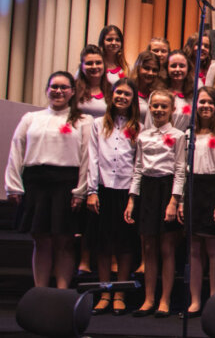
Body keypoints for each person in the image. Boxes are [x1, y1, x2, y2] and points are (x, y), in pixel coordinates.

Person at [5, 72, 92, 288]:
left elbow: (87, 157)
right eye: (54, 87)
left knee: (64, 241)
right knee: (41, 240)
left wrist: (81, 191)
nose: (59, 91)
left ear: (72, 92)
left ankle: (61, 294)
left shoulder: (83, 120)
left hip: (66, 183)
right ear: (47, 90)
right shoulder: (31, 118)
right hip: (36, 182)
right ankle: (40, 291)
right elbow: (16, 150)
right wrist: (13, 186)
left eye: (64, 87)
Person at [124, 90, 186, 317]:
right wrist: (132, 199)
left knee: (166, 248)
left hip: (167, 188)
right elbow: (138, 169)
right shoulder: (143, 135)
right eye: (155, 106)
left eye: (164, 106)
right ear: (149, 108)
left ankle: (164, 299)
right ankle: (148, 298)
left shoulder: (179, 135)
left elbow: (180, 170)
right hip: (147, 190)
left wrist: (174, 200)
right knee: (148, 247)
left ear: (172, 110)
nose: (159, 110)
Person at [86, 78, 140, 315]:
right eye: (119, 93)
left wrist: (133, 196)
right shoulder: (98, 124)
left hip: (126, 191)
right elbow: (92, 158)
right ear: (112, 95)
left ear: (133, 99)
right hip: (104, 189)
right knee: (103, 245)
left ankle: (120, 293)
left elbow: (139, 163)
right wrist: (91, 191)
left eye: (127, 94)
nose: (122, 97)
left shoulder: (138, 126)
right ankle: (104, 292)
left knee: (125, 245)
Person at [180, 87, 215, 316]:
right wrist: (180, 200)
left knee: (214, 247)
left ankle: (214, 298)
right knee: (193, 248)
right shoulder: (188, 134)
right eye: (202, 102)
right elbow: (182, 169)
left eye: (210, 103)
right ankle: (195, 300)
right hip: (193, 187)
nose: (206, 106)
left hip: (214, 188)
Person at [159, 50, 194, 131]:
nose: (178, 69)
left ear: (188, 68)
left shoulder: (193, 96)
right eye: (173, 66)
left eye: (182, 66)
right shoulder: (158, 94)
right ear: (166, 68)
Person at [77, 44, 112, 119]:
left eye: (98, 63)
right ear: (81, 66)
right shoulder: (73, 89)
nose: (94, 66)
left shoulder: (112, 90)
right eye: (89, 63)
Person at [131, 51, 161, 123]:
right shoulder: (129, 91)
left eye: (154, 70)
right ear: (138, 68)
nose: (150, 73)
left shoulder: (157, 94)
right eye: (146, 68)